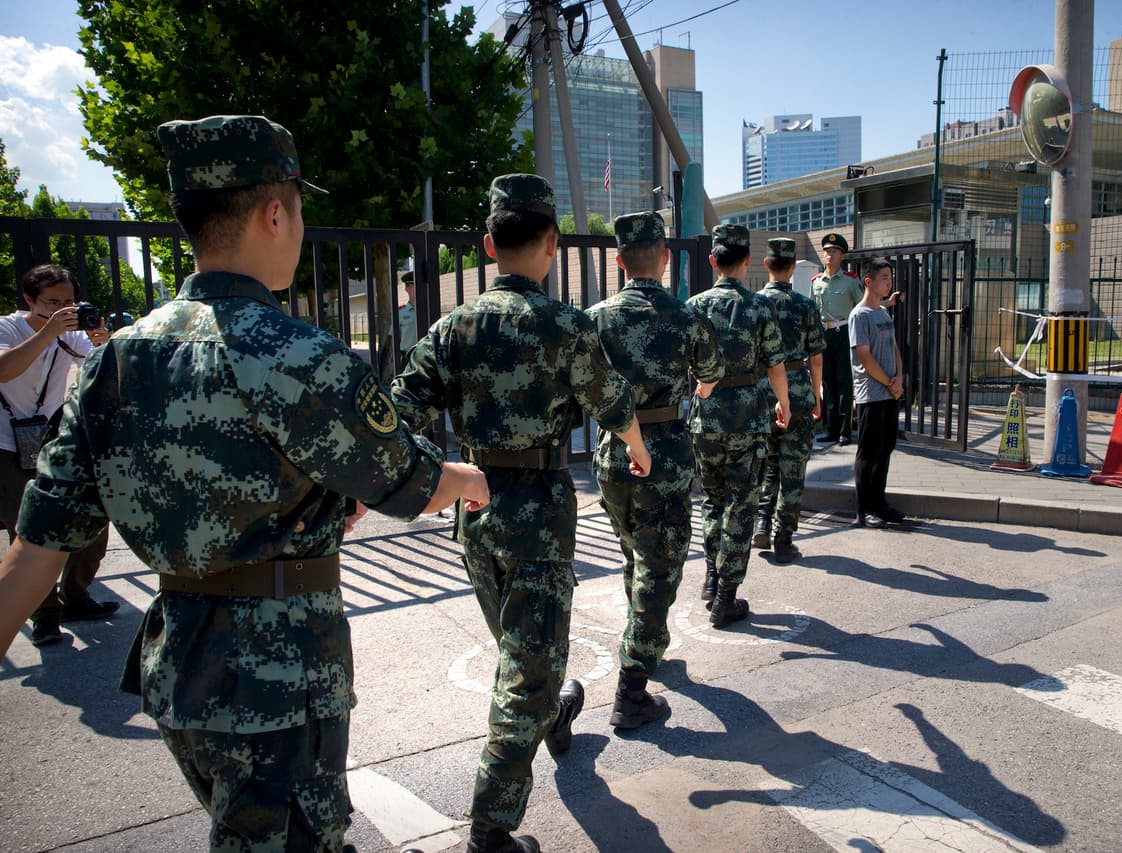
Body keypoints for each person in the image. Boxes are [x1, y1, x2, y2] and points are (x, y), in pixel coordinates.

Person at [0, 114, 490, 851]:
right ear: (273, 210)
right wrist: (470, 480)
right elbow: (411, 480)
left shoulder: (113, 363)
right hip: (280, 681)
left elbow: (37, 547)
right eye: (298, 207)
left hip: (180, 672)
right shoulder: (299, 353)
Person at [391, 174, 650, 853]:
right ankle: (491, 830)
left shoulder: (453, 327)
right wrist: (638, 447)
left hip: (473, 508)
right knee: (523, 672)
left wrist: (384, 489)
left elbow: (397, 417)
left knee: (522, 659)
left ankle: (554, 713)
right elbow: (613, 403)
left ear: (487, 245)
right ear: (552, 243)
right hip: (539, 510)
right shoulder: (566, 326)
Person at [586, 210, 723, 730]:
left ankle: (645, 645)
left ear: (620, 260)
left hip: (612, 452)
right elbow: (711, 375)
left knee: (633, 553)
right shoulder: (687, 318)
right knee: (661, 565)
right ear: (665, 259)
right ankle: (632, 689)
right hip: (664, 451)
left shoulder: (596, 318)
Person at [0, 264, 114, 647]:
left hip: (54, 440)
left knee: (93, 521)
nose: (63, 309)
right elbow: (2, 370)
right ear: (29, 300)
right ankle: (44, 615)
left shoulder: (75, 334)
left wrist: (102, 342)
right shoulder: (7, 328)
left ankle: (76, 596)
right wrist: (48, 331)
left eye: (68, 302)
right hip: (6, 440)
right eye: (52, 302)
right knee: (29, 529)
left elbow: (101, 370)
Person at [686, 224, 788, 629]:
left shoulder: (693, 306)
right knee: (741, 505)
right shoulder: (760, 307)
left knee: (712, 499)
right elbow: (775, 364)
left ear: (713, 260)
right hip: (747, 417)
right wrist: (783, 402)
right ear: (747, 261)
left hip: (705, 417)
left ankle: (712, 575)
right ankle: (726, 595)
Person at [753, 238, 825, 563]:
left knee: (768, 462)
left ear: (766, 264)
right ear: (793, 267)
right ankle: (784, 539)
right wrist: (816, 393)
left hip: (760, 393)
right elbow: (817, 357)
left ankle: (762, 521)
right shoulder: (805, 305)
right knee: (792, 468)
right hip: (796, 391)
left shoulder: (752, 305)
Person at [850, 257, 907, 528]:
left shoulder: (883, 313)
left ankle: (880, 504)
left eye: (890, 277)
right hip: (871, 394)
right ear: (868, 281)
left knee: (885, 448)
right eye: (884, 277)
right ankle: (864, 508)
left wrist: (899, 378)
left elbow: (894, 347)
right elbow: (864, 357)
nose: (889, 282)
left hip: (889, 392)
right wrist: (888, 382)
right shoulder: (859, 315)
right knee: (869, 452)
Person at [810, 232, 858, 445]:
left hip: (844, 332)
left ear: (842, 256)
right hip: (824, 334)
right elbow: (812, 311)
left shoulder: (850, 281)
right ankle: (831, 428)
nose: (830, 255)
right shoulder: (817, 281)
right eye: (827, 251)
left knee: (844, 382)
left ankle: (845, 430)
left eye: (835, 251)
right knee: (827, 383)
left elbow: (860, 307)